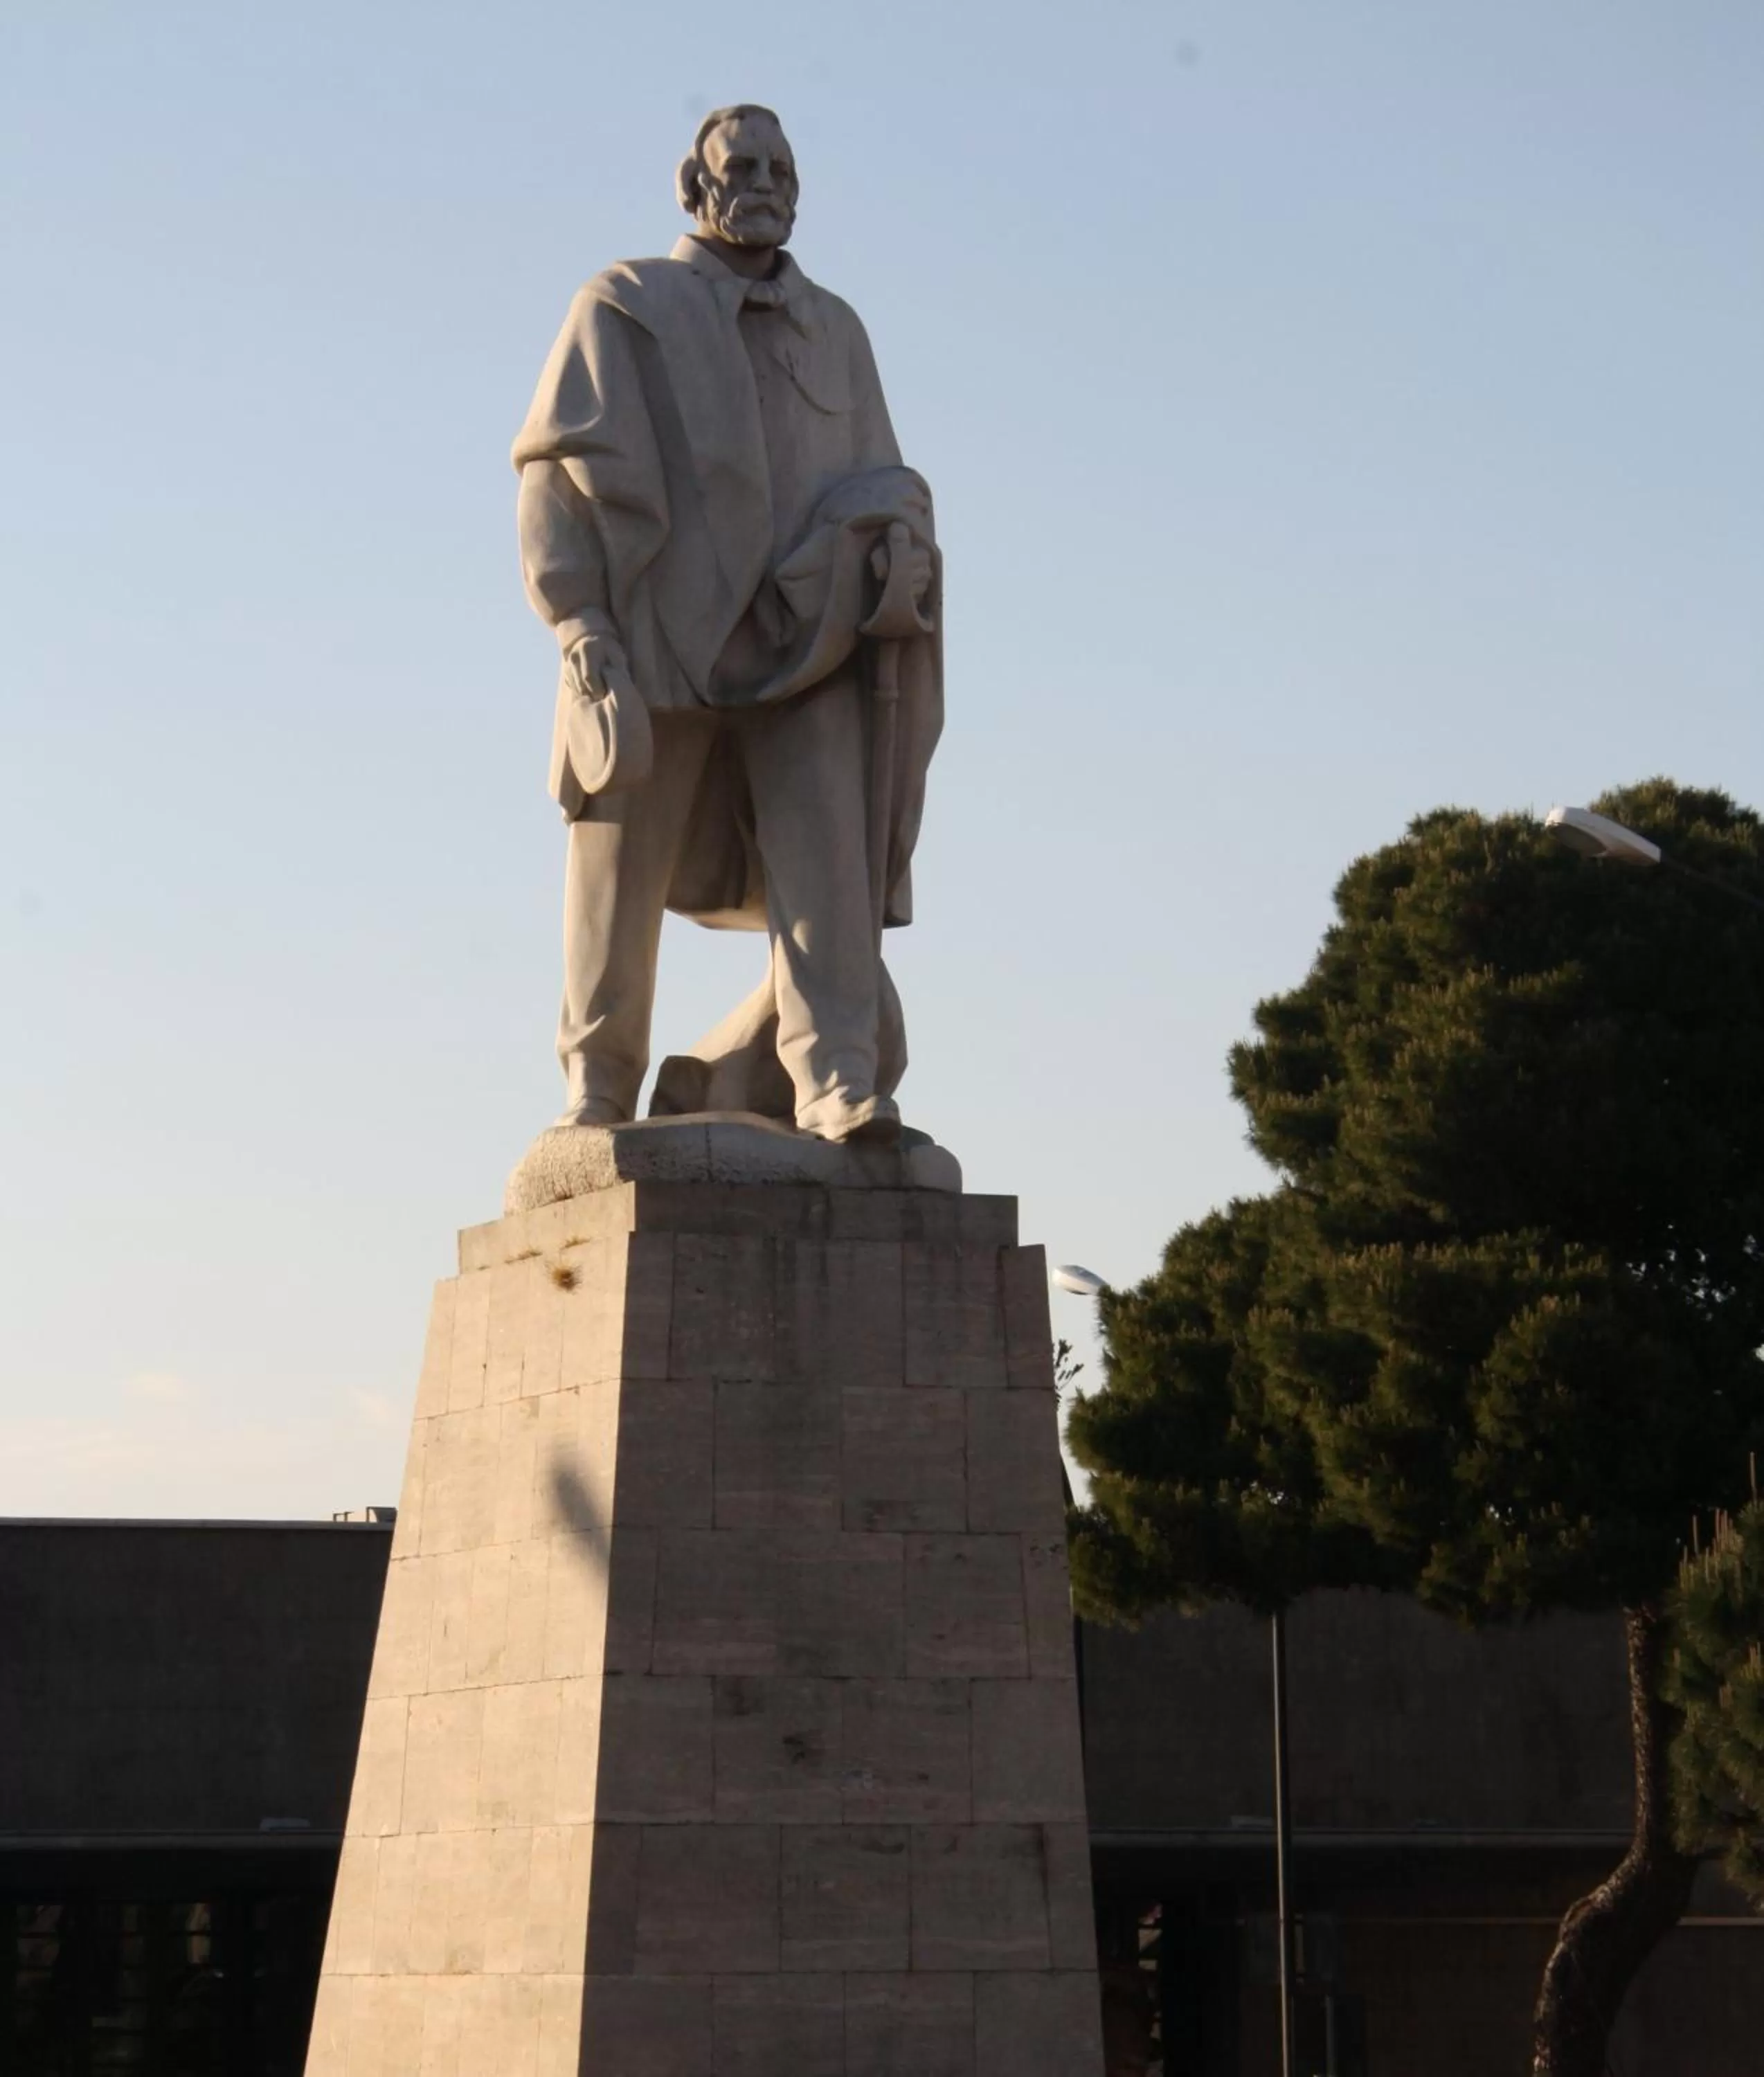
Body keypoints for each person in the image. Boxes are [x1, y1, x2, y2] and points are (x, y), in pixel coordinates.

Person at [512, 104, 941, 1144]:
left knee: (827, 867)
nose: (765, 182)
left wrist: (898, 543)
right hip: (657, 630)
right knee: (616, 870)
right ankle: (598, 1088)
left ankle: (837, 1082)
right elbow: (554, 480)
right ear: (692, 186)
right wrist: (579, 623)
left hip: (809, 637)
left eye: (782, 167)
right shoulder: (627, 305)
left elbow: (882, 471)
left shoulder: (834, 329)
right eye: (741, 165)